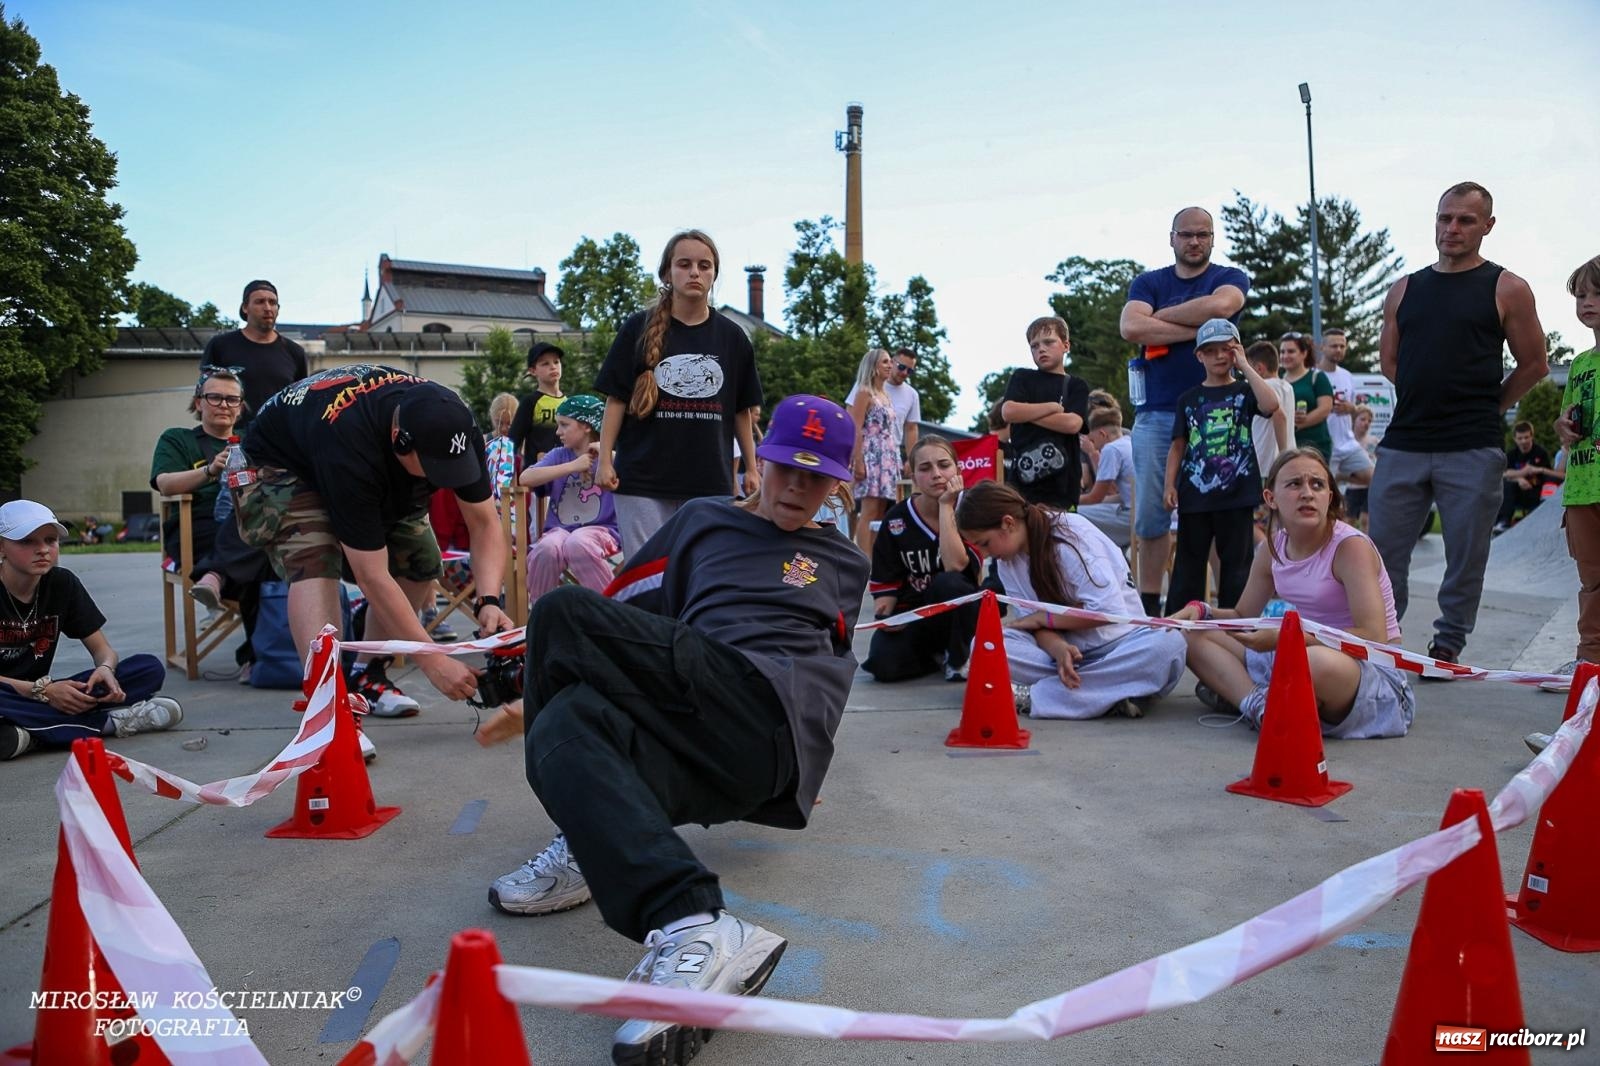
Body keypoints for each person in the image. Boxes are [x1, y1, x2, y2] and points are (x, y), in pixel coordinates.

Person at [494, 395, 868, 1065]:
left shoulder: (837, 559)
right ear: (759, 461)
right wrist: (545, 690)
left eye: (819, 477)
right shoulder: (702, 521)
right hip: (705, 739)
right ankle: (695, 926)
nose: (799, 488)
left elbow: (814, 657)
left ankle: (583, 829)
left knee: (559, 620)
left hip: (761, 716)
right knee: (567, 727)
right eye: (787, 469)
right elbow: (623, 605)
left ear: (839, 481)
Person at [236, 364, 513, 717]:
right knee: (315, 556)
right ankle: (327, 704)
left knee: (420, 559)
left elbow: (486, 523)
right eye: (432, 467)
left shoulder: (456, 425)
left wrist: (487, 599)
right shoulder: (350, 445)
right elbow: (372, 575)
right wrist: (431, 660)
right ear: (399, 438)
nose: (441, 479)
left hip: (358, 456)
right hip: (280, 462)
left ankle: (366, 673)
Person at [1368, 182, 1548, 666]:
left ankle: (1448, 644)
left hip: (1472, 445)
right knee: (1381, 553)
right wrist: (1424, 396)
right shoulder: (1404, 288)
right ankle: (1382, 639)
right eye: (1444, 217)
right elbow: (1390, 361)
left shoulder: (1506, 287)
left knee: (1466, 556)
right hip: (1404, 442)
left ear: (1487, 226)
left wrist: (1491, 406)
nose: (1452, 228)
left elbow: (1534, 364)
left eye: (1465, 220)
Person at [1175, 448, 1415, 739]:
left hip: (1369, 671)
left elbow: (1374, 635)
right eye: (1294, 484)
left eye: (1317, 484)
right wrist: (1202, 611)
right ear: (1270, 498)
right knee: (1190, 634)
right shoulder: (1272, 549)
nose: (1307, 493)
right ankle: (1259, 706)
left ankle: (1255, 693)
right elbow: (1241, 616)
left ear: (1330, 496)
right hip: (1299, 650)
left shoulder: (1351, 548)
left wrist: (1289, 637)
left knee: (1310, 663)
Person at [595, 230, 762, 560]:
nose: (695, 272)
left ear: (714, 274)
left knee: (699, 575)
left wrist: (751, 469)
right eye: (684, 264)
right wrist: (603, 460)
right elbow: (616, 400)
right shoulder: (636, 329)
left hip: (708, 481)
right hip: (642, 481)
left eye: (705, 265)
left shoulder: (733, 338)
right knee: (647, 579)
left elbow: (741, 410)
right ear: (667, 273)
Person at [955, 480, 1185, 719]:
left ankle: (1037, 697)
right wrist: (1058, 648)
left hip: (1120, 645)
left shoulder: (1070, 533)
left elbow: (1107, 610)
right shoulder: (1007, 564)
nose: (984, 554)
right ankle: (1112, 692)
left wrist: (1045, 618)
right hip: (1063, 658)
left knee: (1168, 644)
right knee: (984, 645)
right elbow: (1033, 626)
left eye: (984, 543)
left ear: (1008, 523)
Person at [1120, 206, 1251, 616]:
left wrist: (1158, 319)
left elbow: (1224, 305)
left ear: (1213, 239)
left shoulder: (1230, 278)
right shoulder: (1149, 281)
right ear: (1172, 237)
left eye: (1202, 234)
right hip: (1158, 414)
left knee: (1219, 515)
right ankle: (1148, 607)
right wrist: (1202, 328)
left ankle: (1225, 612)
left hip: (1219, 411)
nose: (1194, 241)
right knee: (1151, 517)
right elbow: (1130, 327)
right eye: (1186, 234)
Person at [0, 501, 183, 759]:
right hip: (14, 693)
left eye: (50, 540)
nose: (42, 550)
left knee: (147, 668)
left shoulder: (62, 583)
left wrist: (105, 669)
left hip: (39, 696)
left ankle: (28, 734)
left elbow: (102, 649)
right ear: (1, 546)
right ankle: (108, 723)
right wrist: (43, 691)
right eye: (27, 542)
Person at [150, 367, 266, 672]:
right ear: (199, 402)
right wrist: (210, 471)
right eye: (214, 397)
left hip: (247, 530)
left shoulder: (255, 445)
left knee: (270, 554)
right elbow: (165, 484)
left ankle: (214, 577)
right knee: (259, 555)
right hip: (194, 528)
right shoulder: (178, 439)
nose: (224, 405)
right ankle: (258, 660)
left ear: (241, 407)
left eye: (232, 399)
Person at [1164, 319, 1281, 611]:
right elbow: (1178, 445)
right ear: (1199, 356)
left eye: (1226, 350)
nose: (1219, 356)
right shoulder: (1188, 399)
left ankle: (1236, 625)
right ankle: (1179, 625)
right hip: (1195, 495)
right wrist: (1169, 484)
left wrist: (1245, 364)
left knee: (1238, 567)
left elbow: (1271, 405)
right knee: (1187, 567)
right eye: (1211, 350)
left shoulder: (1244, 392)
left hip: (1237, 494)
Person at [861, 436, 983, 683]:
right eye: (925, 469)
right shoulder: (896, 519)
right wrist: (886, 618)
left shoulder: (973, 509)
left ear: (958, 470)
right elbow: (886, 588)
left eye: (944, 465)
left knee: (948, 583)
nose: (937, 474)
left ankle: (959, 656)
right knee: (883, 665)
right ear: (914, 478)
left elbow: (956, 566)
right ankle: (937, 656)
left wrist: (946, 506)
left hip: (961, 613)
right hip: (915, 615)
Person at [520, 395, 620, 601]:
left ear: (586, 426)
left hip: (604, 532)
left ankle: (612, 612)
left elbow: (636, 471)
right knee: (546, 548)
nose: (558, 432)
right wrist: (573, 466)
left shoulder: (610, 457)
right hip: (560, 531)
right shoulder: (559, 455)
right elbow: (525, 478)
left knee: (578, 543)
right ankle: (540, 613)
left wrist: (609, 457)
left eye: (564, 425)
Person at [1001, 315, 1089, 511]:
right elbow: (1008, 411)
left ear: (1066, 345)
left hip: (1063, 486)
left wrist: (1028, 413)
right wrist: (1052, 407)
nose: (1041, 348)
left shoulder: (1076, 385)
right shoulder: (1022, 377)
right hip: (1024, 484)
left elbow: (1072, 424)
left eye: (1049, 342)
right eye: (1034, 345)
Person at [198, 280, 309, 420]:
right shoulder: (220, 345)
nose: (267, 307)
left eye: (272, 302)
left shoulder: (295, 352)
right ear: (245, 307)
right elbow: (206, 394)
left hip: (279, 437)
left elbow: (302, 401)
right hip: (233, 436)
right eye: (260, 302)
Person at [848, 348, 901, 556]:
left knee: (881, 510)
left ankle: (877, 557)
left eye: (890, 362)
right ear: (873, 366)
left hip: (887, 456)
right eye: (885, 362)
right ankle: (864, 558)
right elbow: (856, 426)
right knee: (869, 509)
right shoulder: (864, 392)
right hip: (871, 454)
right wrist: (858, 460)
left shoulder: (885, 394)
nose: (890, 366)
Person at [1318, 328, 1375, 488]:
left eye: (1342, 346)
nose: (1339, 350)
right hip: (1327, 443)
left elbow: (1354, 411)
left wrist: (1352, 408)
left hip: (1348, 443)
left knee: (1374, 478)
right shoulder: (1314, 375)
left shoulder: (1347, 375)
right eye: (1334, 346)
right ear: (1322, 348)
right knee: (1326, 491)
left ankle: (1342, 476)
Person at [1077, 406, 1134, 551]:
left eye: (1093, 440)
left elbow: (1094, 498)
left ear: (1102, 434)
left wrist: (1068, 500)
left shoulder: (1111, 449)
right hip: (1146, 513)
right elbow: (1122, 495)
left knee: (1073, 514)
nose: (1093, 445)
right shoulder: (1129, 442)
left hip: (1133, 519)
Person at [507, 342, 566, 467]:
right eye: (545, 363)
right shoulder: (530, 402)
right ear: (533, 371)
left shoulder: (568, 402)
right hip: (537, 474)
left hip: (565, 473)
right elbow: (512, 442)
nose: (553, 367)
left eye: (556, 362)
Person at [1279, 333, 1334, 459]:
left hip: (1316, 447)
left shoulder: (1317, 377)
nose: (1285, 356)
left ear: (1304, 353)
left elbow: (1325, 409)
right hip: (1287, 449)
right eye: (1282, 352)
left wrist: (1297, 423)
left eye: (1291, 351)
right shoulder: (1278, 381)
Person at [1494, 421, 1556, 532]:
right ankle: (1504, 521)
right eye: (1520, 438)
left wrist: (1537, 470)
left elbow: (1549, 473)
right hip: (1518, 493)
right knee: (1505, 484)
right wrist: (1520, 476)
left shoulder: (1540, 453)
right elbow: (1504, 473)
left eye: (1526, 437)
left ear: (1532, 436)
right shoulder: (1512, 455)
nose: (1524, 441)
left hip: (1536, 491)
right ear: (1515, 439)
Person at [1246, 340, 1295, 478]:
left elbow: (1279, 416)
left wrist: (1283, 454)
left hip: (1266, 463)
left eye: (1249, 369)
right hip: (1284, 459)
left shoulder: (1266, 386)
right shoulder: (1287, 386)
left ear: (1259, 369)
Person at [1344, 405, 1378, 531]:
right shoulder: (1348, 442)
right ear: (1354, 420)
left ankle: (1367, 546)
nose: (1366, 423)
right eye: (1362, 420)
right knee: (1348, 521)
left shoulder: (1373, 441)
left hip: (1369, 488)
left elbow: (1379, 459)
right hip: (1352, 488)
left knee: (1366, 520)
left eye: (1369, 421)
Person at [485, 392, 520, 502]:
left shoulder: (521, 445)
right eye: (499, 422)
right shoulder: (484, 442)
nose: (504, 429)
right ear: (491, 417)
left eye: (509, 424)